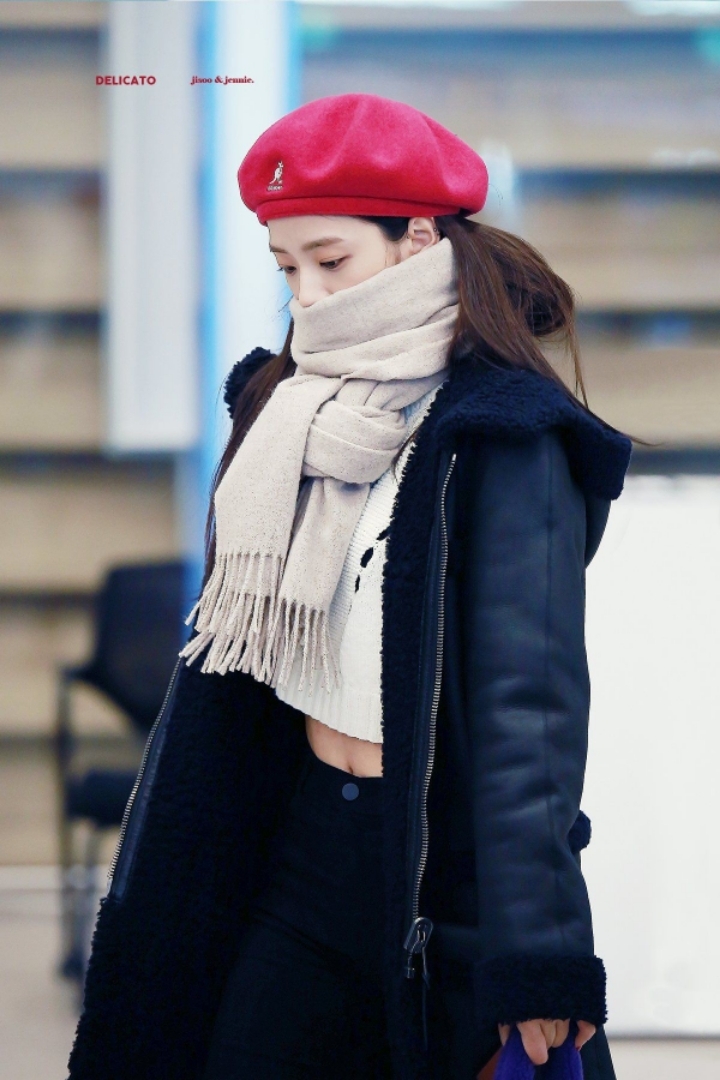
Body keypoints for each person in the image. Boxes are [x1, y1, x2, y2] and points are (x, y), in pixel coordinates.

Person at [67, 94, 634, 1080]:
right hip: (294, 850)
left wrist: (540, 953)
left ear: (418, 238)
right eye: (287, 268)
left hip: (430, 872)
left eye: (331, 260)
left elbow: (528, 714)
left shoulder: (504, 434)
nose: (310, 298)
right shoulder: (281, 409)